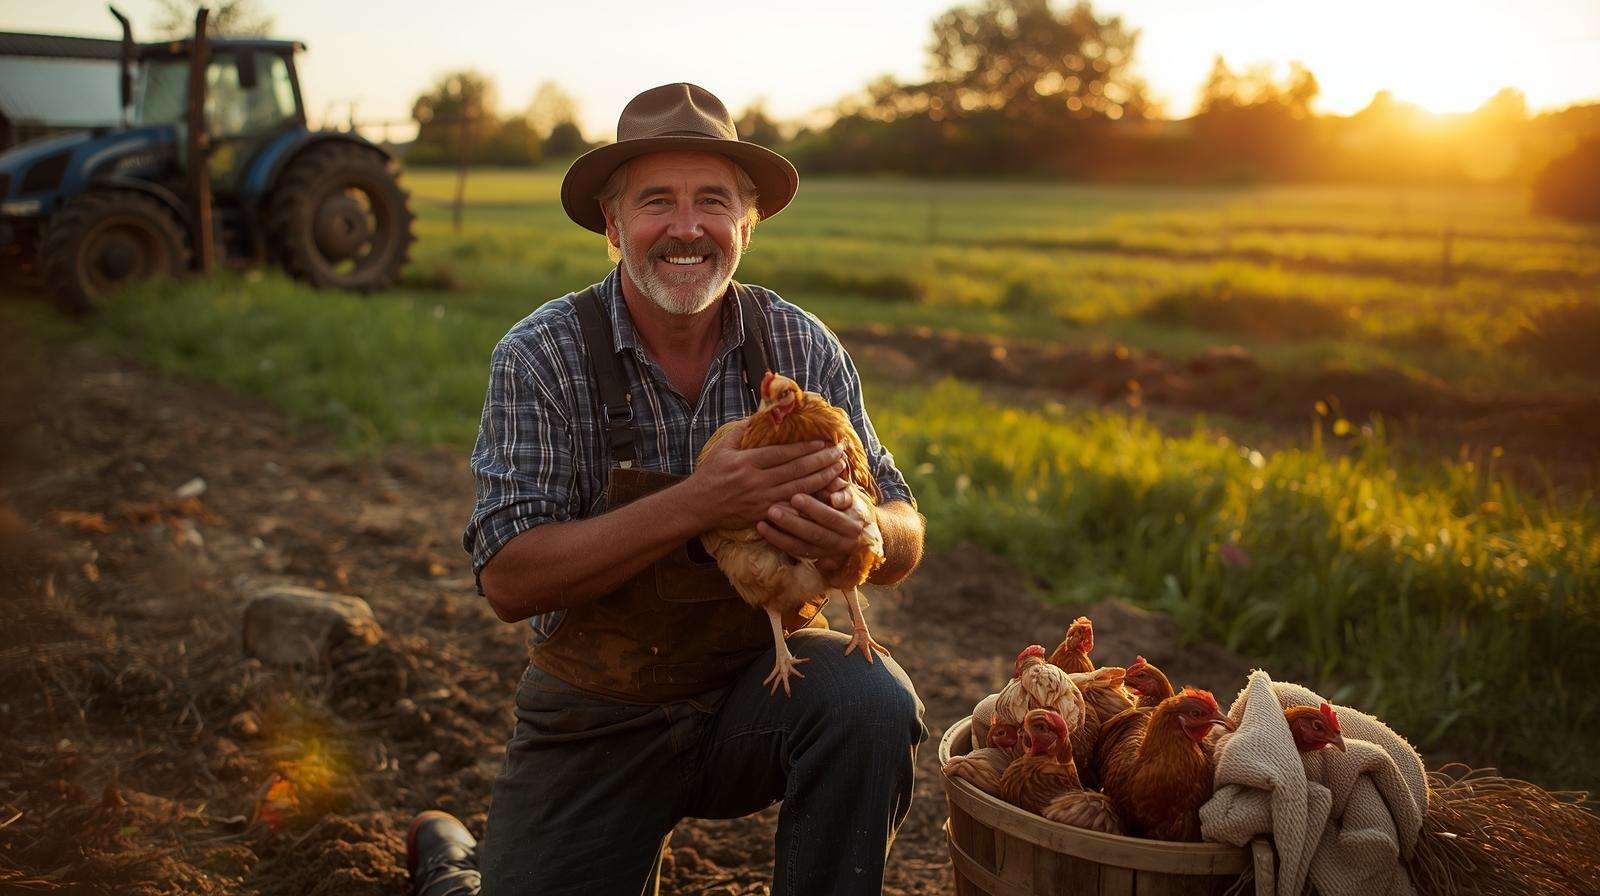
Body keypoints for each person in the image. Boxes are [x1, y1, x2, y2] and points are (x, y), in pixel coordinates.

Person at [405, 83, 927, 896]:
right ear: (613, 229)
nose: (687, 227)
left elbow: (904, 522)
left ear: (746, 227)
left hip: (762, 688)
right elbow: (507, 578)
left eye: (712, 201)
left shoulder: (800, 345)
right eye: (657, 202)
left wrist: (868, 527)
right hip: (595, 715)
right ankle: (455, 874)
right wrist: (699, 504)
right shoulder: (541, 355)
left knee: (869, 700)